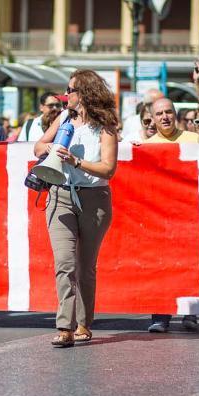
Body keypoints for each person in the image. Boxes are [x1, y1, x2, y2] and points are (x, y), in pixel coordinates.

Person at [34, 70, 118, 347]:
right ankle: (65, 326)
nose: (65, 94)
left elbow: (108, 168)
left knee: (85, 268)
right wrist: (50, 150)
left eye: (70, 90)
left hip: (94, 199)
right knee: (65, 264)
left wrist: (75, 161)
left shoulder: (105, 127)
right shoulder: (64, 118)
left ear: (85, 93)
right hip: (60, 195)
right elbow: (38, 146)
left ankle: (84, 322)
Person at [142, 98, 199, 333]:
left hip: (189, 213)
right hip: (159, 216)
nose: (165, 117)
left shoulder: (194, 139)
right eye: (159, 114)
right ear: (152, 118)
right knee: (160, 266)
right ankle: (160, 316)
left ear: (176, 114)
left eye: (169, 112)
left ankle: (191, 314)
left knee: (190, 264)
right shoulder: (146, 145)